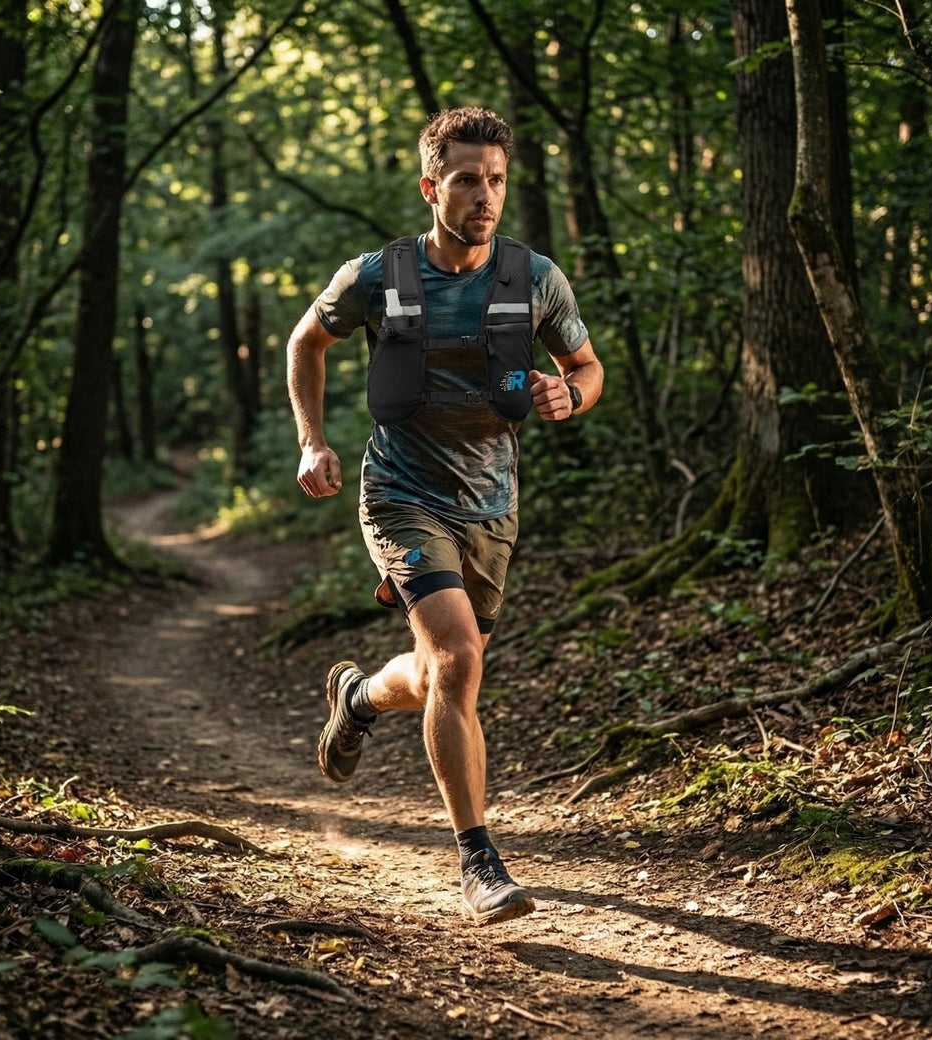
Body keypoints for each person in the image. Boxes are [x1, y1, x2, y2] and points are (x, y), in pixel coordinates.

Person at [286, 106, 603, 926]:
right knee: (459, 660)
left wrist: (569, 393)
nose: (484, 196)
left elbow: (587, 366)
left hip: (492, 506)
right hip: (399, 491)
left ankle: (356, 699)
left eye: (495, 181)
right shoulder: (376, 277)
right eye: (466, 180)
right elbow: (304, 344)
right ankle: (478, 860)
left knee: (433, 675)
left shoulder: (535, 278)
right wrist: (311, 441)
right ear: (432, 187)